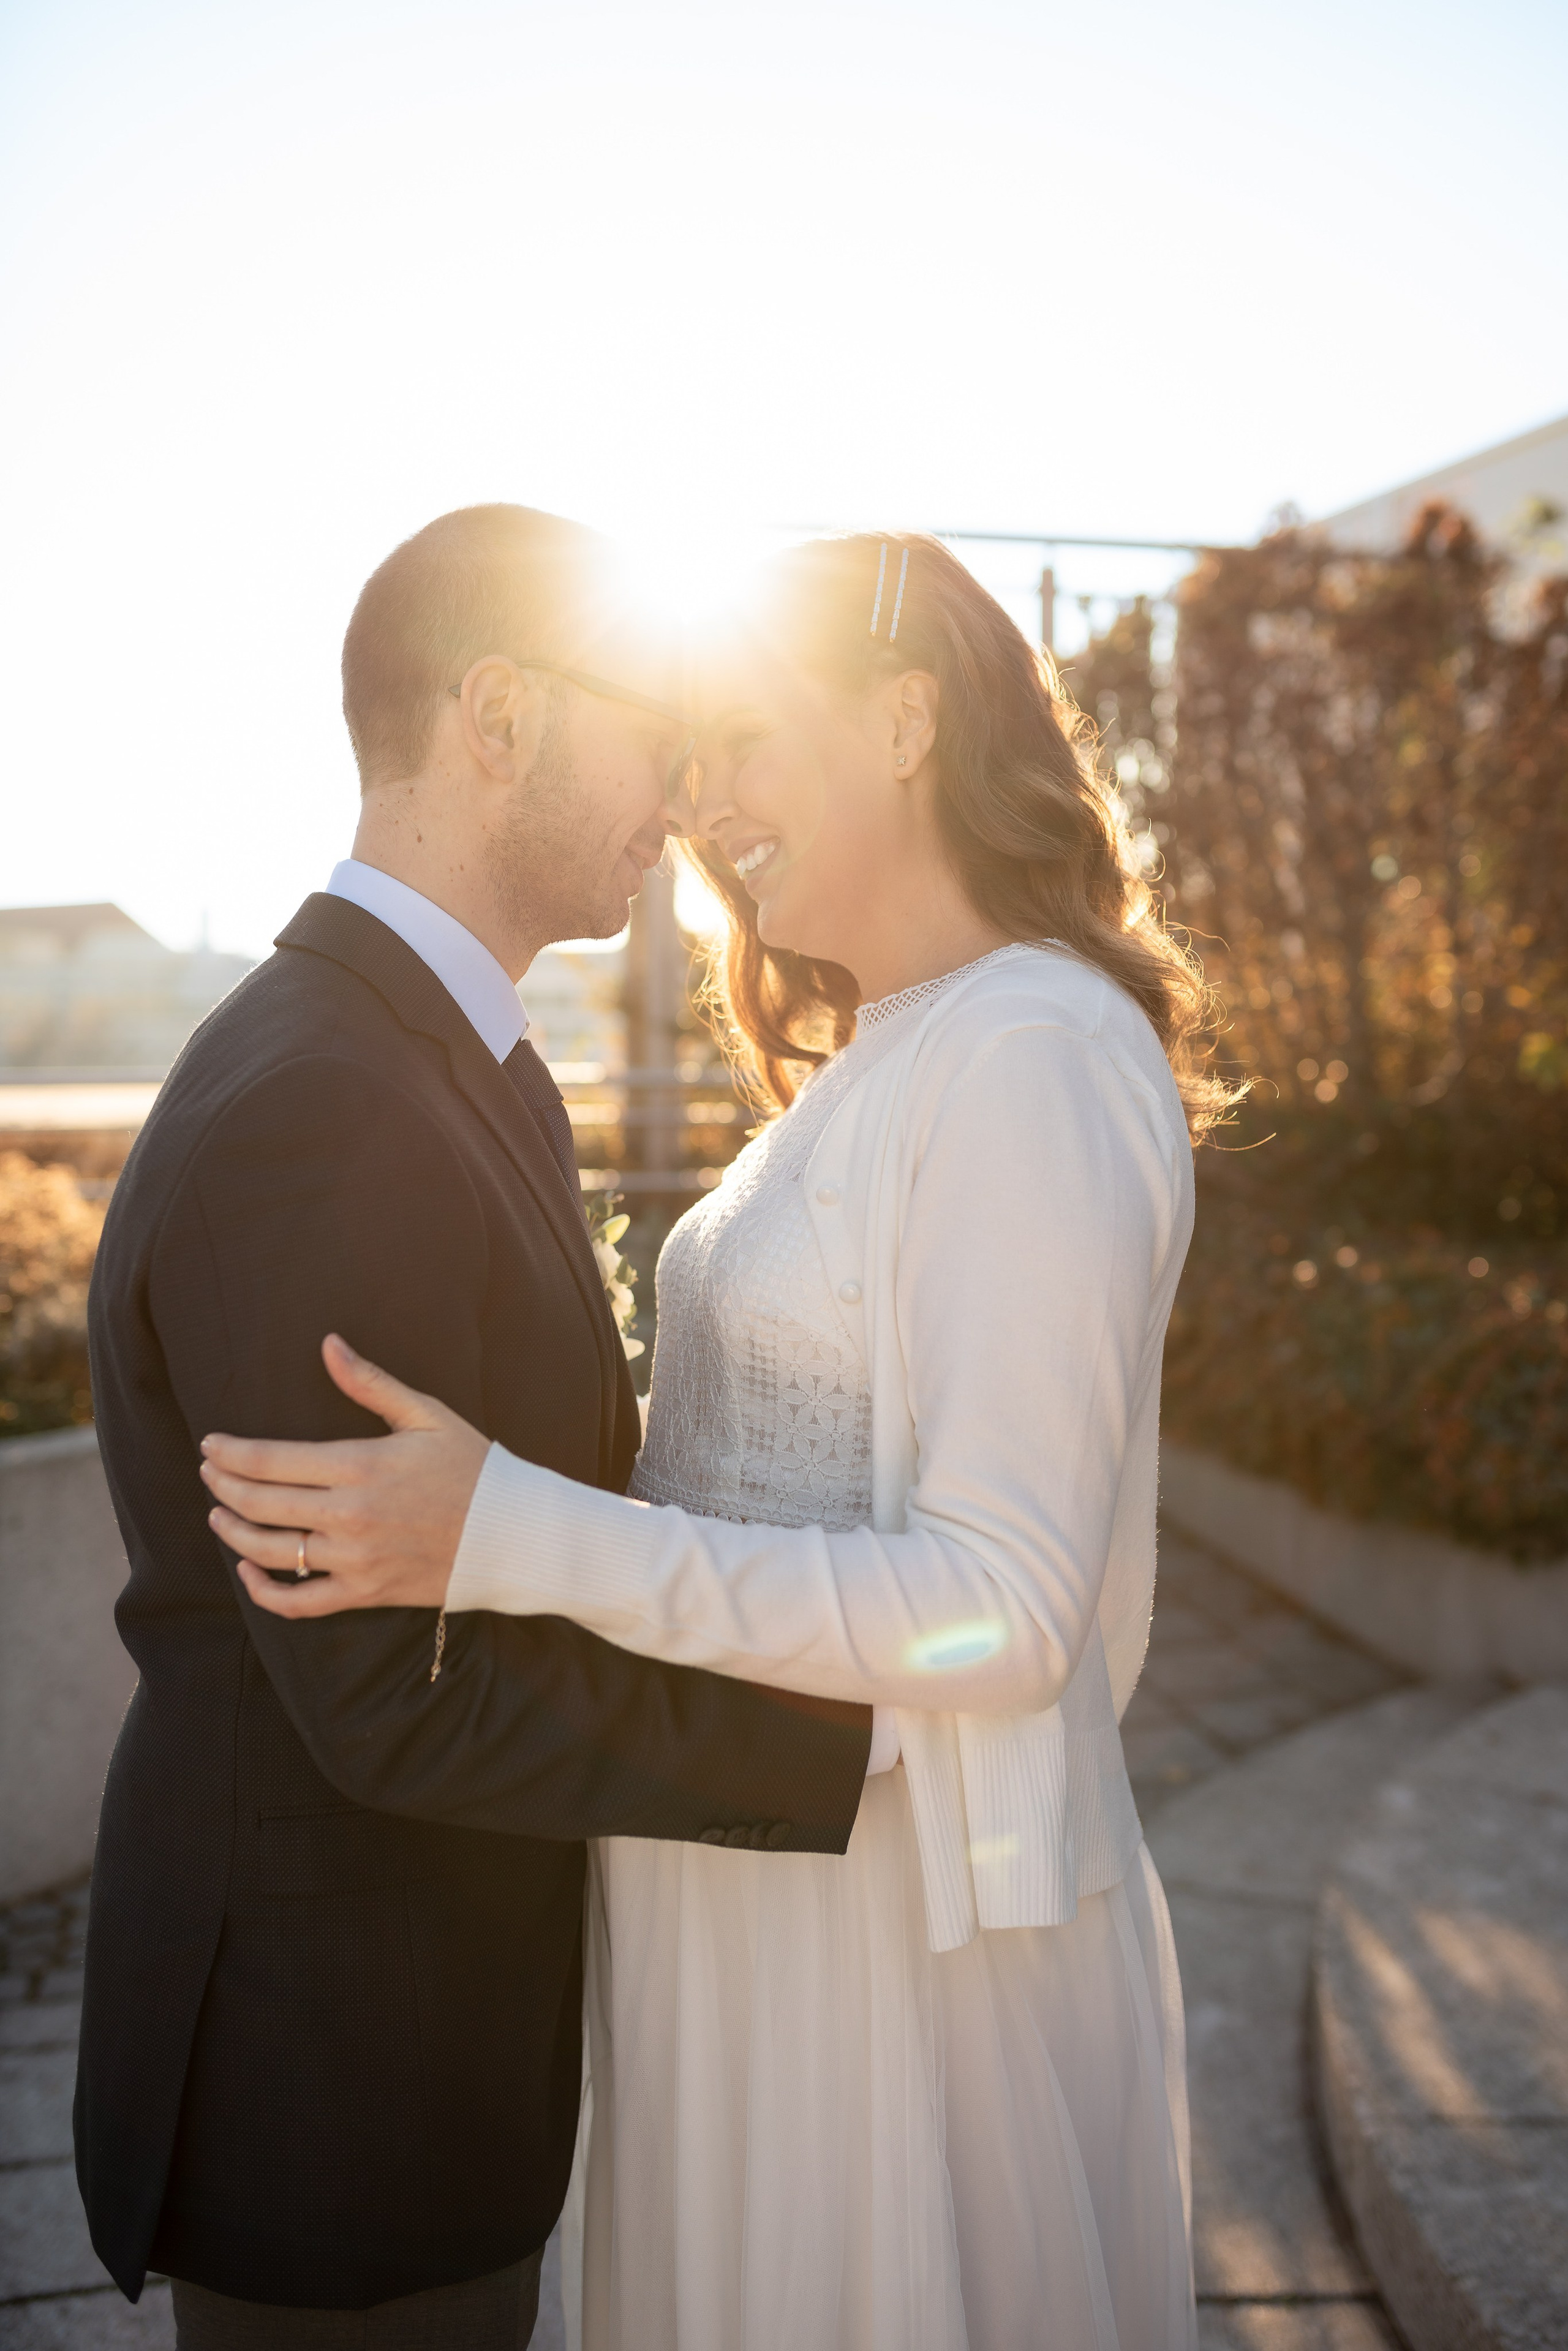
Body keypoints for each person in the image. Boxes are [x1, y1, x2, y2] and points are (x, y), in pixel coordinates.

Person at [205, 532, 1234, 2350]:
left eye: (747, 738)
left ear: (909, 718)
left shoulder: (1040, 1058)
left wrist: (507, 1532)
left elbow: (1004, 1615)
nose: (702, 801)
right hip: (742, 1912)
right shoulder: (873, 1061)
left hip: (882, 1969)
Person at [77, 505, 883, 2351]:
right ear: (499, 714)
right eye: (650, 732)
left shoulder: (456, 1063)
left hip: (415, 2041)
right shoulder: (320, 1107)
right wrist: (839, 1739)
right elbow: (386, 1685)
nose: (679, 794)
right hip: (335, 2088)